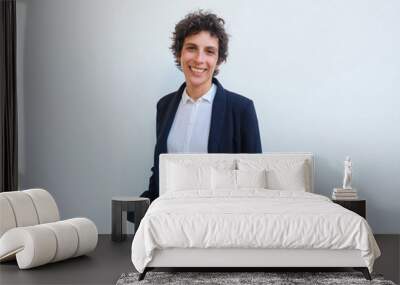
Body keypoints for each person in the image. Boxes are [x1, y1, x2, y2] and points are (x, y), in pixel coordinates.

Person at [142, 10, 262, 202]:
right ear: (179, 52)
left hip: (221, 221)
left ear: (218, 59)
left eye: (209, 51)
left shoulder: (241, 110)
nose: (199, 59)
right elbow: (159, 172)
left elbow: (253, 181)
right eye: (191, 48)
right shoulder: (164, 106)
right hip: (171, 219)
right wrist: (138, 210)